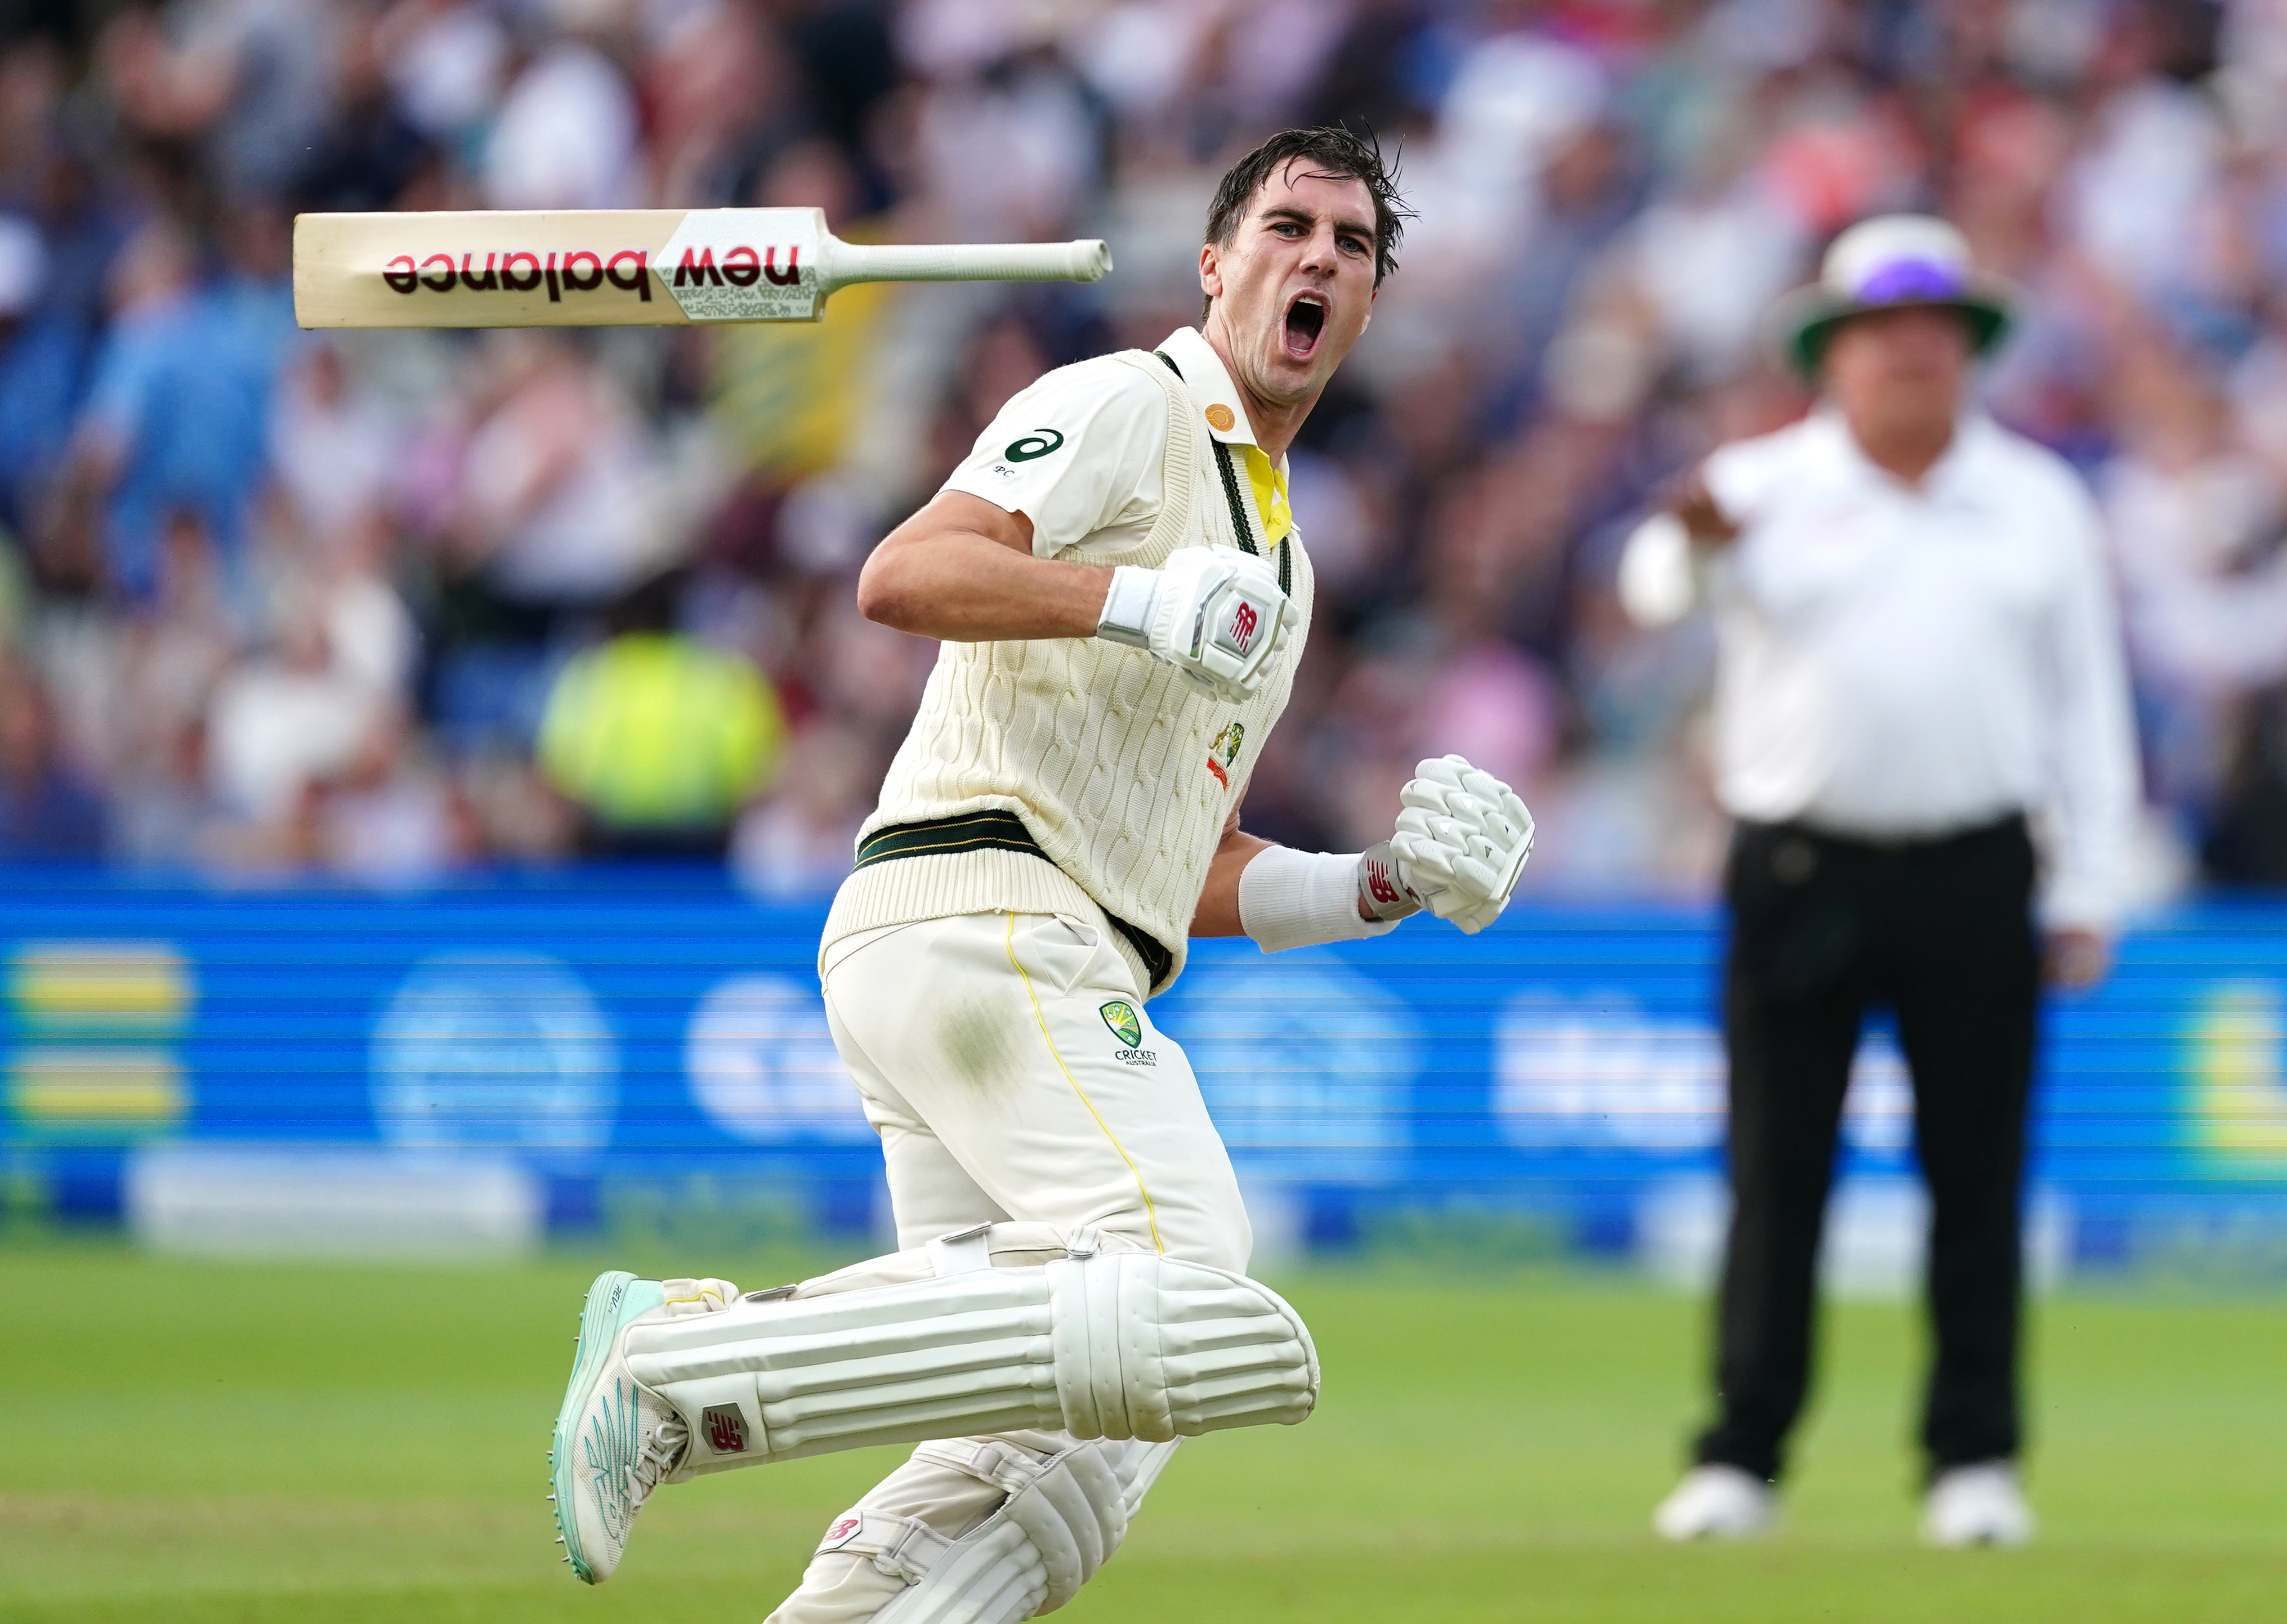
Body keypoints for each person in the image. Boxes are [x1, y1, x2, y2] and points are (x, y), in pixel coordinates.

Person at [544, 126, 1536, 1621]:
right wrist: (1132, 599)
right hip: (981, 910)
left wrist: (1384, 882)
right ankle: (677, 1357)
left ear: (1370, 303)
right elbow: (902, 573)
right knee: (1188, 1272)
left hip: (1043, 943)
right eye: (1288, 226)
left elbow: (1181, 863)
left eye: (1351, 245)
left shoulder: (1285, 559)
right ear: (1217, 265)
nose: (1318, 257)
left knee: (1073, 1422)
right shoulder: (1125, 405)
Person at [1620, 216, 2139, 1547]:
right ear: (1833, 353)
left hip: (1976, 867)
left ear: (1967, 352)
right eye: (1885, 334)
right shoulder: (1761, 482)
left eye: (1937, 334)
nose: (1913, 355)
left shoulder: (2038, 499)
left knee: (1978, 1174)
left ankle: (1974, 1462)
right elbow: (1658, 587)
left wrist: (2089, 886)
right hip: (1801, 867)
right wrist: (1691, 537)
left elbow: (2088, 708)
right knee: (1777, 1173)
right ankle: (1743, 1454)